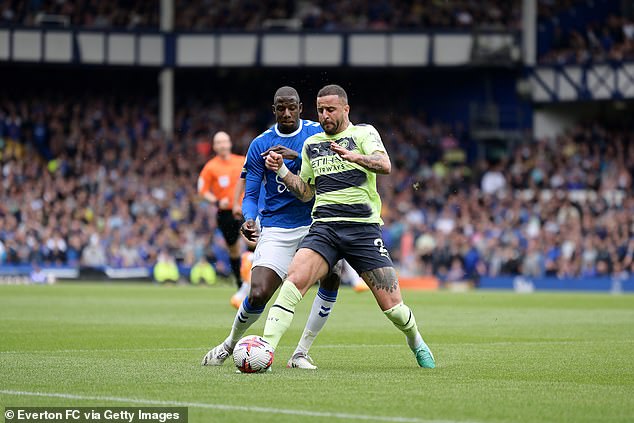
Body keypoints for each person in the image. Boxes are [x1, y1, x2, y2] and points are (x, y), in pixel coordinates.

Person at [261, 84, 436, 368]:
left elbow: (385, 164)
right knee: (294, 281)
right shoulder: (312, 144)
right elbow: (306, 192)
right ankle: (266, 350)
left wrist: (356, 157)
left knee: (394, 309)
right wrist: (281, 170)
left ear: (346, 109)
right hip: (324, 229)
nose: (325, 115)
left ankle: (415, 340)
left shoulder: (363, 133)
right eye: (320, 110)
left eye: (331, 109)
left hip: (363, 230)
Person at [202, 86, 341, 370]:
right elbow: (251, 195)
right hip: (276, 229)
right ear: (274, 109)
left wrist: (295, 157)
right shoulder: (259, 144)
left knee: (333, 274)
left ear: (301, 108)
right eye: (281, 108)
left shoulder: (316, 135)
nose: (287, 113)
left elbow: (333, 167)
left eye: (292, 107)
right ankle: (229, 344)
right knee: (258, 294)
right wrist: (249, 219)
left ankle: (301, 352)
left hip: (314, 224)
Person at [197, 131, 245, 288]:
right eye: (219, 142)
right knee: (234, 249)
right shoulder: (211, 167)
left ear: (230, 143)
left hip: (245, 210)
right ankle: (240, 283)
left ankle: (257, 279)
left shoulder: (241, 161)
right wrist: (217, 202)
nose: (223, 145)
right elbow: (202, 190)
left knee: (254, 242)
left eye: (225, 141)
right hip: (226, 213)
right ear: (215, 146)